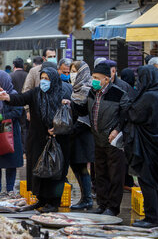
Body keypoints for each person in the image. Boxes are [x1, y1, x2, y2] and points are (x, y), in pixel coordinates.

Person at [0, 67, 72, 213]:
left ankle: (53, 202)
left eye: (47, 79)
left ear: (54, 81)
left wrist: (57, 129)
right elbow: (21, 98)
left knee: (55, 172)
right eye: (42, 78)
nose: (43, 81)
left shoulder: (62, 94)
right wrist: (6, 97)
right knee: (38, 171)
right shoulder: (36, 93)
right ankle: (41, 199)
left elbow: (68, 117)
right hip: (37, 139)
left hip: (58, 141)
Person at [74, 63, 129, 216]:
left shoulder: (118, 93)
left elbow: (126, 115)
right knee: (100, 174)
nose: (94, 81)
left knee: (115, 176)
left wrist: (117, 129)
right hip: (97, 139)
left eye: (97, 78)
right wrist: (72, 103)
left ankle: (113, 207)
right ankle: (102, 204)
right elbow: (84, 109)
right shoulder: (92, 92)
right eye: (93, 77)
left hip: (113, 141)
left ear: (107, 79)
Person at [124, 65, 158, 228]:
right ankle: (155, 218)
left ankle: (151, 219)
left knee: (147, 183)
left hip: (147, 147)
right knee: (156, 183)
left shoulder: (150, 96)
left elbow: (133, 114)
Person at [0, 69, 23, 193]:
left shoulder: (13, 94)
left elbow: (17, 112)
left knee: (10, 162)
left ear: (4, 81)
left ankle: (10, 190)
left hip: (9, 132)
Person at [66, 61, 95, 210]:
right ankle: (85, 198)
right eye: (71, 70)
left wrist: (71, 130)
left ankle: (87, 199)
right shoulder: (75, 89)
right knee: (76, 166)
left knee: (82, 167)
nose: (72, 73)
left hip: (83, 135)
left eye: (75, 71)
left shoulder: (87, 90)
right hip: (75, 135)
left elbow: (86, 116)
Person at [22, 48, 57, 121]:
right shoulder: (34, 71)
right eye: (50, 57)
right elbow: (26, 90)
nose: (53, 58)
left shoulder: (57, 70)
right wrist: (28, 110)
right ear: (44, 58)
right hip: (38, 111)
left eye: (54, 56)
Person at [11, 58, 29, 154]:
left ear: (14, 65)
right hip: (25, 104)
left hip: (14, 104)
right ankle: (24, 149)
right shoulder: (27, 75)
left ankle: (15, 147)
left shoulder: (11, 76)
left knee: (13, 126)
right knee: (24, 127)